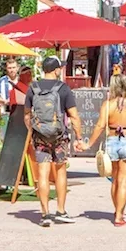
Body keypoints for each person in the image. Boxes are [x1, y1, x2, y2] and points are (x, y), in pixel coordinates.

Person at [25, 57, 83, 228]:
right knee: (60, 172)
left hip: (40, 136)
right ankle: (61, 210)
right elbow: (74, 116)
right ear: (56, 70)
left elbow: (27, 115)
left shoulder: (33, 88)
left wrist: (32, 132)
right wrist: (79, 138)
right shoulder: (63, 89)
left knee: (42, 174)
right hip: (59, 136)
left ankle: (44, 214)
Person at [85, 75, 126, 226]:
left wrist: (89, 144)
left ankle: (117, 210)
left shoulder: (107, 105)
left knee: (114, 180)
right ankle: (119, 215)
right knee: (124, 181)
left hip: (112, 141)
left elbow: (100, 126)